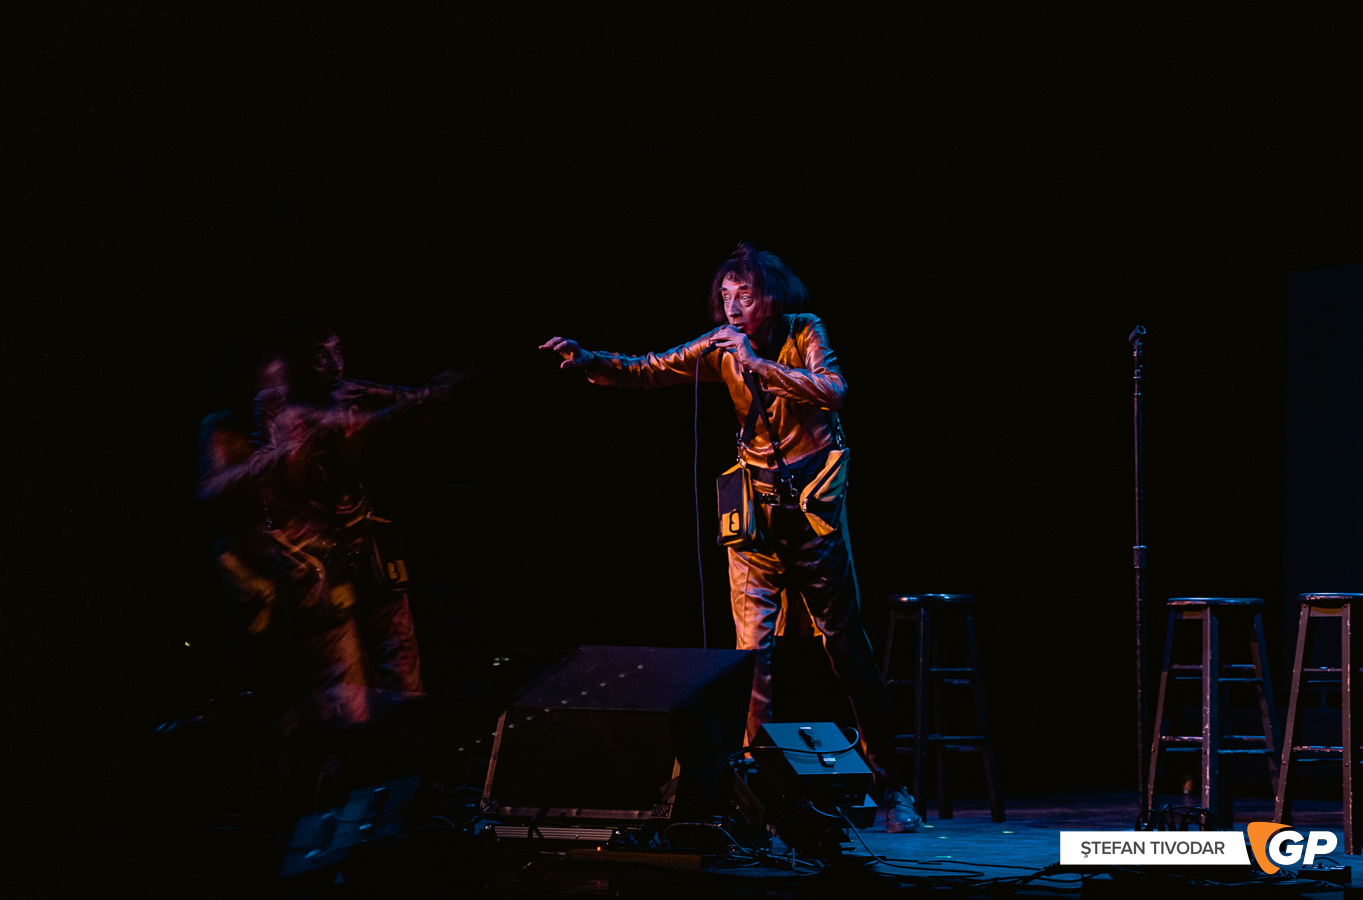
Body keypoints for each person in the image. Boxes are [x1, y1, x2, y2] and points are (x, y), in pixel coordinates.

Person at [539, 242, 923, 833]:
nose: (732, 306)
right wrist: (588, 357)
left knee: (845, 650)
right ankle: (751, 790)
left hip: (813, 507)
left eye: (743, 294)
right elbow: (649, 367)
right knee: (752, 658)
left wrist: (756, 363)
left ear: (768, 297)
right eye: (725, 296)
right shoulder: (718, 347)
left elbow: (834, 390)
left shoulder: (803, 330)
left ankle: (892, 789)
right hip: (754, 512)